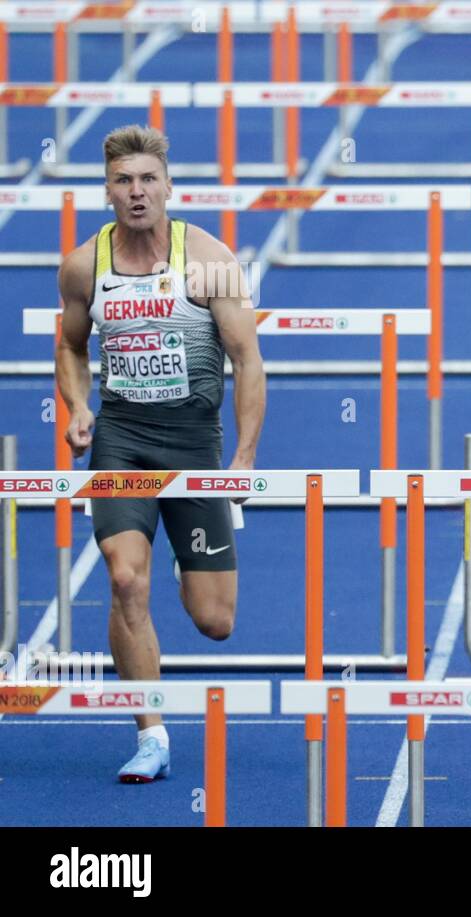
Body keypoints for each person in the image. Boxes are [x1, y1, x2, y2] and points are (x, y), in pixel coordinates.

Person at [55, 125, 265, 783]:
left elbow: (247, 358)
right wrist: (80, 407)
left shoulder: (207, 258)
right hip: (123, 439)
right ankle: (151, 731)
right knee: (124, 577)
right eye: (123, 181)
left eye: (148, 179)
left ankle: (178, 557)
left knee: (214, 619)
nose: (137, 191)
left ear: (169, 186)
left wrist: (245, 459)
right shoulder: (85, 264)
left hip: (195, 442)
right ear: (108, 189)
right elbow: (70, 345)